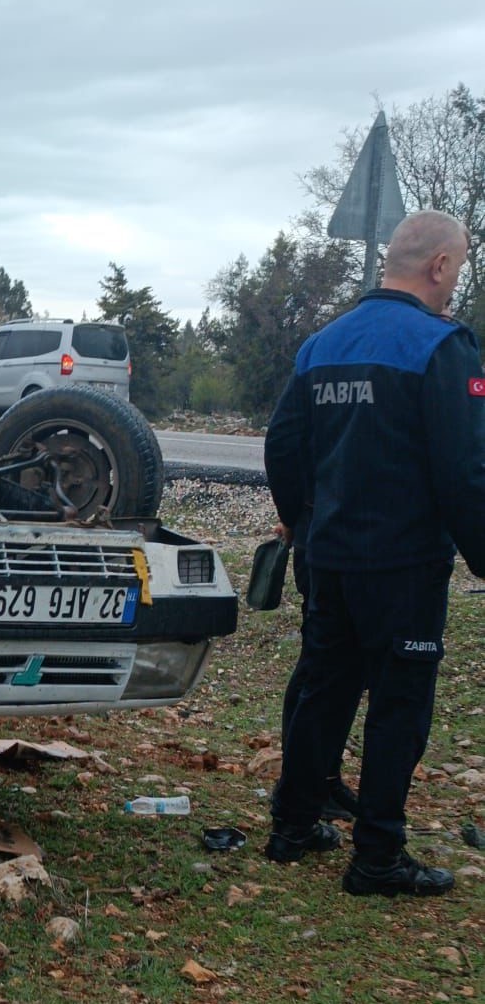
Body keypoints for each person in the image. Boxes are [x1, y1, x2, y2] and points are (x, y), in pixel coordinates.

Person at [264, 209, 485, 897]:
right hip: (404, 565)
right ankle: (378, 859)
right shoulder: (441, 346)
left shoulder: (322, 344)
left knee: (324, 691)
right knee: (398, 706)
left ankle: (293, 828)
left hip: (328, 558)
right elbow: (466, 470)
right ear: (440, 266)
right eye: (462, 265)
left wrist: (302, 523)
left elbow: (283, 447)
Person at [273, 516, 360, 822]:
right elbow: (284, 466)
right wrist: (289, 514)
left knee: (342, 669)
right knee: (320, 667)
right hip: (322, 538)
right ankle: (304, 785)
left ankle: (322, 778)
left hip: (338, 537)